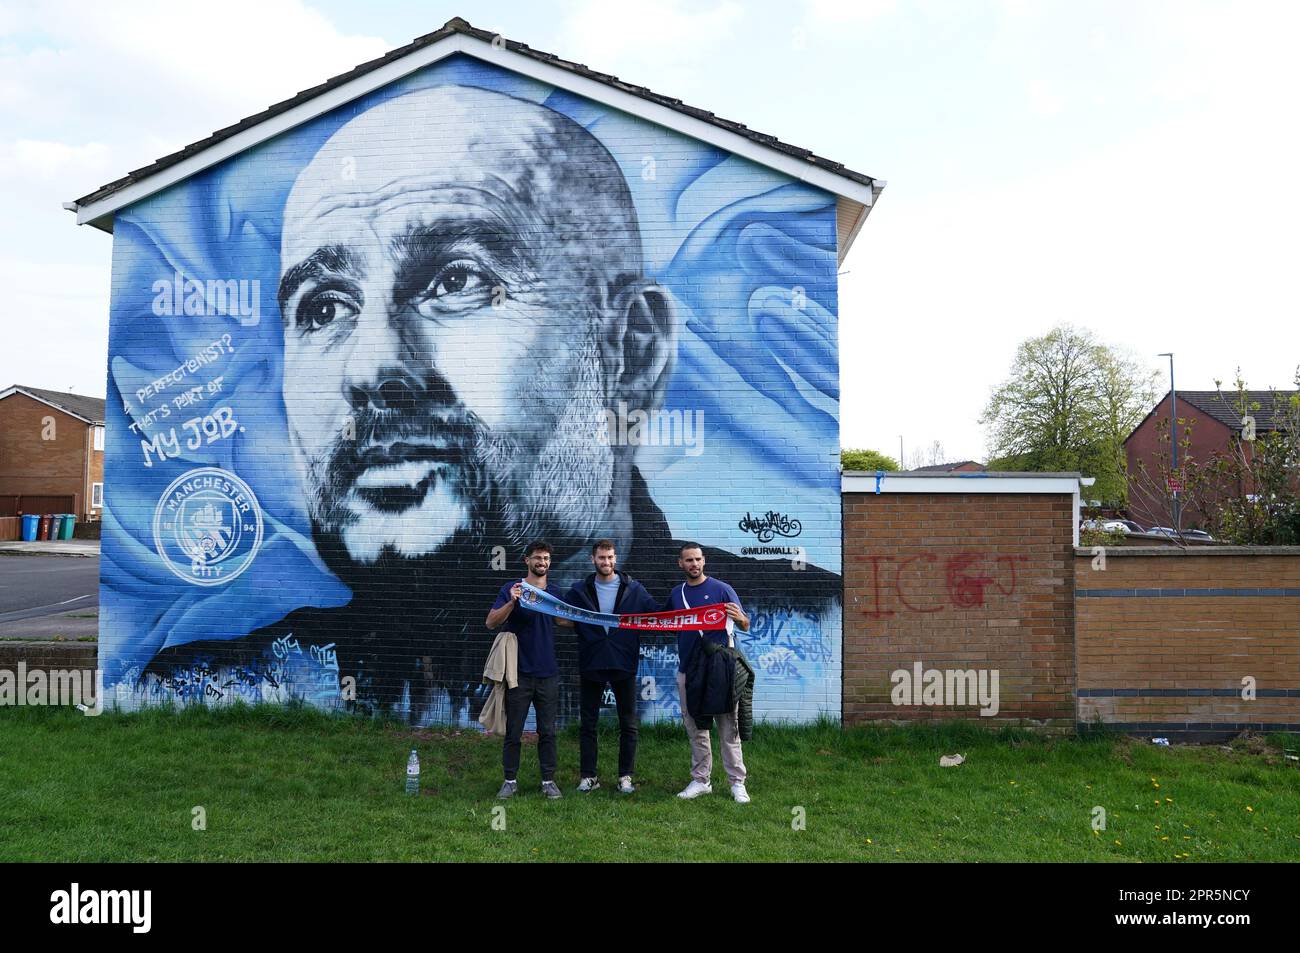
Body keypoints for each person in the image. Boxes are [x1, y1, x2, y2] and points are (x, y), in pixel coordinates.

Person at [140, 84, 841, 729]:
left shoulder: (812, 628)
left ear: (632, 351)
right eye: (324, 306)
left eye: (457, 279)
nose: (371, 366)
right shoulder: (210, 686)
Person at [559, 539, 659, 794]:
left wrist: (689, 610)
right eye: (602, 558)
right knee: (588, 724)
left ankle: (625, 777)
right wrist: (586, 627)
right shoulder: (580, 589)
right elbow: (561, 618)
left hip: (623, 662)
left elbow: (656, 615)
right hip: (592, 661)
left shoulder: (634, 589)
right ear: (593, 560)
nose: (607, 562)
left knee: (628, 723)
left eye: (611, 557)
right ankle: (588, 777)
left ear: (616, 559)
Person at [670, 542, 751, 803]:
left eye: (698, 559)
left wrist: (739, 617)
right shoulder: (676, 594)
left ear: (704, 561)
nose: (694, 564)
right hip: (688, 670)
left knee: (728, 728)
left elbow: (745, 624)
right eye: (689, 560)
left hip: (719, 670)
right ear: (680, 564)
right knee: (695, 727)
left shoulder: (722, 589)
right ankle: (701, 780)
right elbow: (666, 622)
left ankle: (737, 783)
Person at [485, 541, 561, 800]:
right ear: (526, 560)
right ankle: (510, 780)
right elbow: (491, 622)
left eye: (547, 558)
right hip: (517, 674)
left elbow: (566, 622)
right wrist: (512, 603)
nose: (542, 562)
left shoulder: (555, 592)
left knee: (548, 731)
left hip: (548, 673)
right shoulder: (511, 589)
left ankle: (548, 782)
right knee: (514, 730)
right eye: (538, 558)